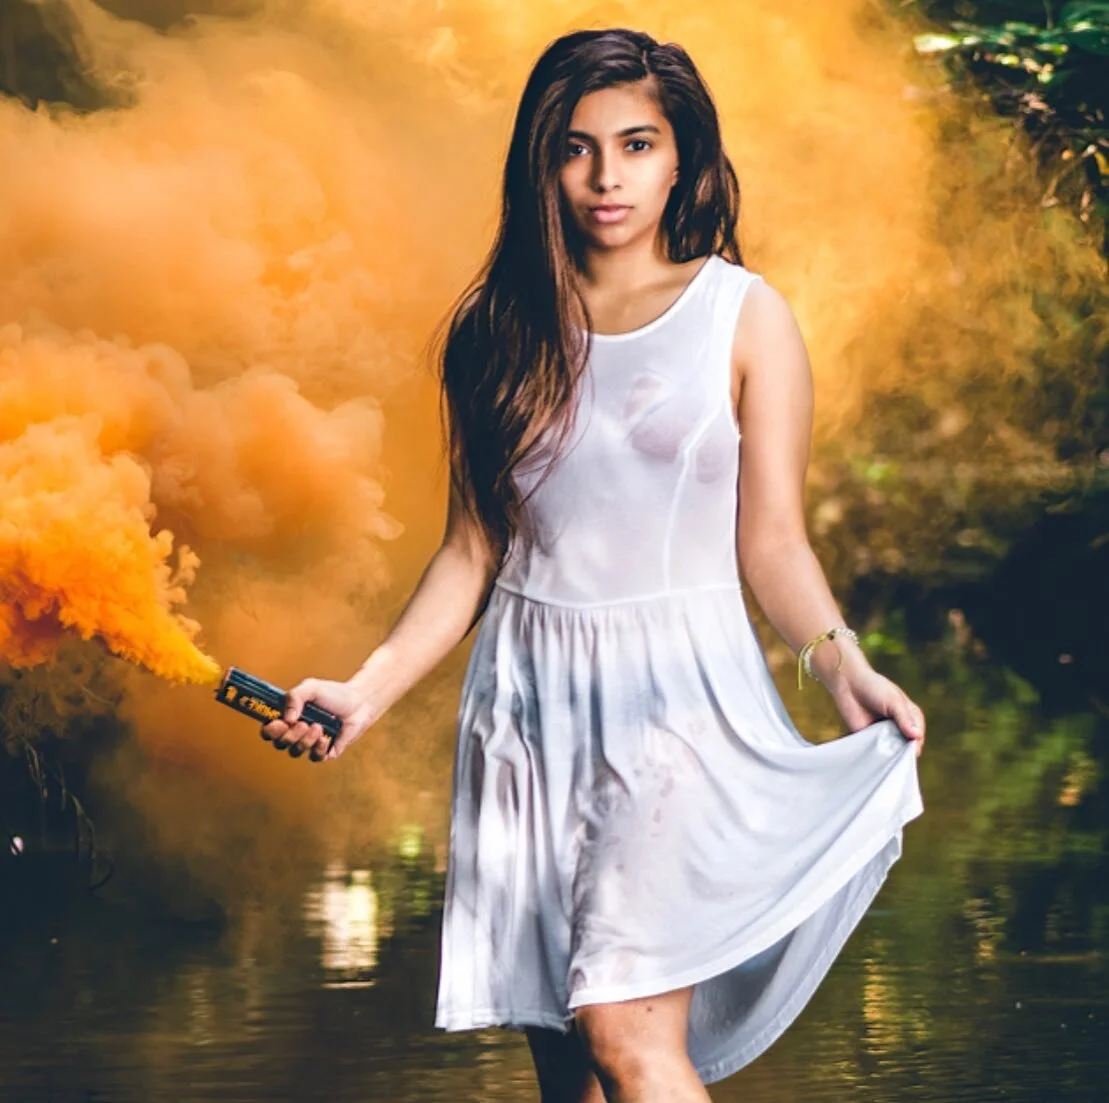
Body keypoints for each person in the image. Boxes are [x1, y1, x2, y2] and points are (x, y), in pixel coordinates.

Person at [261, 26, 926, 1103]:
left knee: (624, 1028)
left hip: (675, 699)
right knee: (565, 1058)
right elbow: (473, 549)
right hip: (524, 705)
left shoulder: (743, 316)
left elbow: (771, 541)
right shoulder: (491, 331)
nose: (606, 177)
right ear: (541, 162)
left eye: (636, 144)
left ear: (683, 159)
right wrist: (362, 692)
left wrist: (840, 666)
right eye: (576, 148)